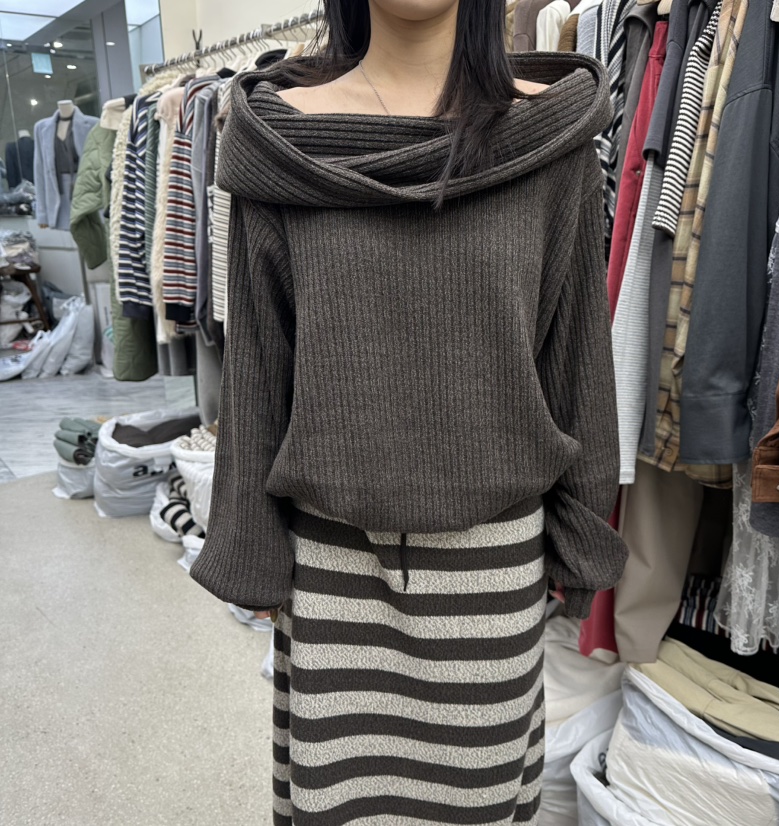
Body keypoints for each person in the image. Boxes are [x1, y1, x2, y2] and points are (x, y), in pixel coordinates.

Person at [190, 0, 628, 822]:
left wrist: (579, 536)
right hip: (331, 572)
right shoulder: (280, 142)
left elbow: (577, 353)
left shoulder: (551, 139)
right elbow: (258, 365)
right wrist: (250, 546)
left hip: (493, 570)